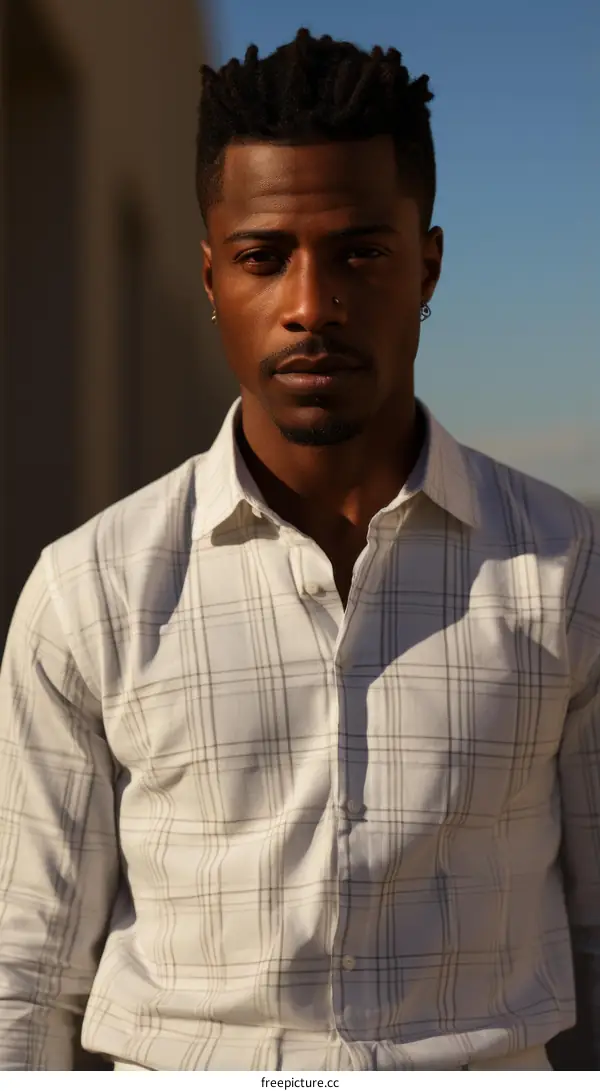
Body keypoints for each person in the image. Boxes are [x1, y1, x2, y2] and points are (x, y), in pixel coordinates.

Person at [0, 27, 598, 1073]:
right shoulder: (87, 592)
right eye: (263, 257)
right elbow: (27, 978)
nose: (312, 307)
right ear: (209, 275)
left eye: (361, 252)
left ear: (429, 265)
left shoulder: (568, 571)